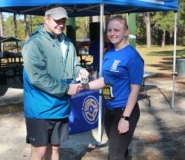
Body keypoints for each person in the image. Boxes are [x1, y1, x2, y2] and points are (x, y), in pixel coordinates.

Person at [22, 5, 89, 160]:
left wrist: (79, 70)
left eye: (63, 21)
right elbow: (38, 78)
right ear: (46, 18)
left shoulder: (67, 42)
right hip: (40, 108)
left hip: (61, 107)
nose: (60, 24)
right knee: (39, 151)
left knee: (55, 150)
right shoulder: (34, 44)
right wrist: (66, 88)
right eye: (57, 20)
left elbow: (73, 66)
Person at [81, 15, 144, 160]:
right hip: (109, 110)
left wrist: (125, 118)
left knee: (115, 155)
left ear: (125, 32)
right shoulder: (108, 54)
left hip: (124, 111)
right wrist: (83, 86)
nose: (112, 33)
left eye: (116, 30)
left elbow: (135, 89)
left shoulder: (132, 56)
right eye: (109, 30)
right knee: (121, 151)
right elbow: (103, 80)